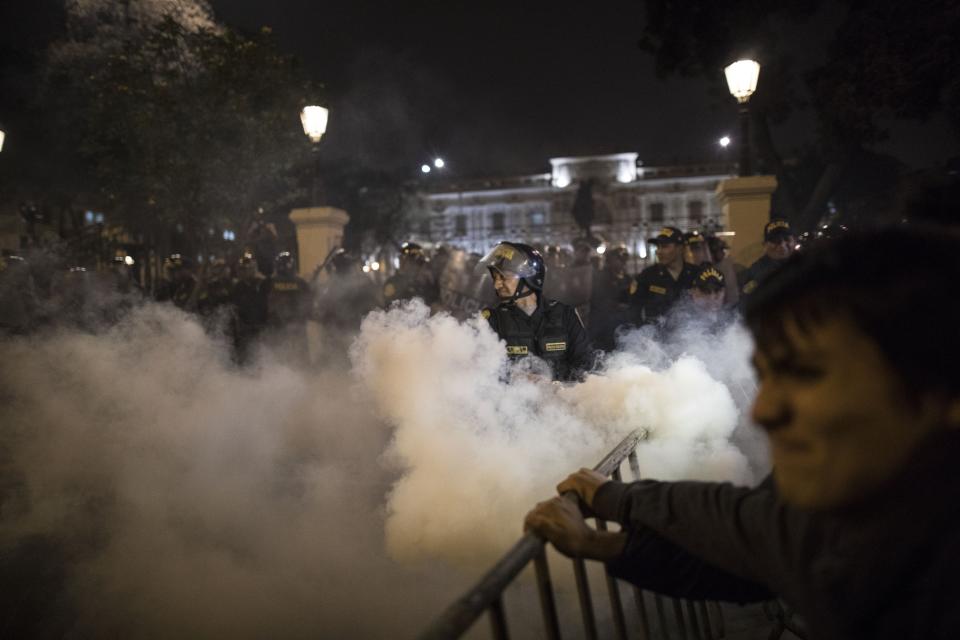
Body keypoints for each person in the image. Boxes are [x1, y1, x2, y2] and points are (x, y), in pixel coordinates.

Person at [525, 226, 960, 639]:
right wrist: (608, 522)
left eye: (806, 374)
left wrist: (617, 510)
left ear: (939, 389)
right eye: (767, 377)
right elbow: (760, 540)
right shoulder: (870, 505)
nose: (764, 409)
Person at [478, 241, 592, 382]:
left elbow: (585, 364)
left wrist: (553, 382)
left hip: (559, 401)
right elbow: (481, 370)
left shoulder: (565, 314)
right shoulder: (492, 320)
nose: (496, 284)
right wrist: (514, 377)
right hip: (513, 403)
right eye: (495, 277)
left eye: (503, 277)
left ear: (529, 278)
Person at [630, 227, 698, 324]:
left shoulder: (696, 274)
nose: (658, 251)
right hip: (656, 336)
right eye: (658, 247)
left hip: (690, 335)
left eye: (665, 246)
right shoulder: (647, 276)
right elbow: (633, 311)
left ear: (680, 248)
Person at [588, 245, 635, 351]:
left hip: (623, 324)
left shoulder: (628, 278)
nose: (622, 262)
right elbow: (598, 300)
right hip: (603, 326)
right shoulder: (601, 277)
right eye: (619, 259)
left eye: (624, 259)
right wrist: (617, 306)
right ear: (610, 260)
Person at [740, 220, 795, 298]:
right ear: (765, 245)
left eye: (787, 239)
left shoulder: (805, 265)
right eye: (776, 241)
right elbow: (747, 303)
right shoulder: (756, 272)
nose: (782, 245)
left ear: (794, 241)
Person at [230, 252, 267, 364]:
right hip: (244, 329)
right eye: (241, 269)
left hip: (262, 328)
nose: (243, 272)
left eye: (245, 269)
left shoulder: (263, 283)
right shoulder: (238, 286)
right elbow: (234, 307)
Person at [383, 242, 439, 307]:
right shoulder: (392, 283)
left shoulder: (427, 282)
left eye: (420, 263)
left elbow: (436, 302)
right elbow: (391, 307)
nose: (418, 267)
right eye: (415, 262)